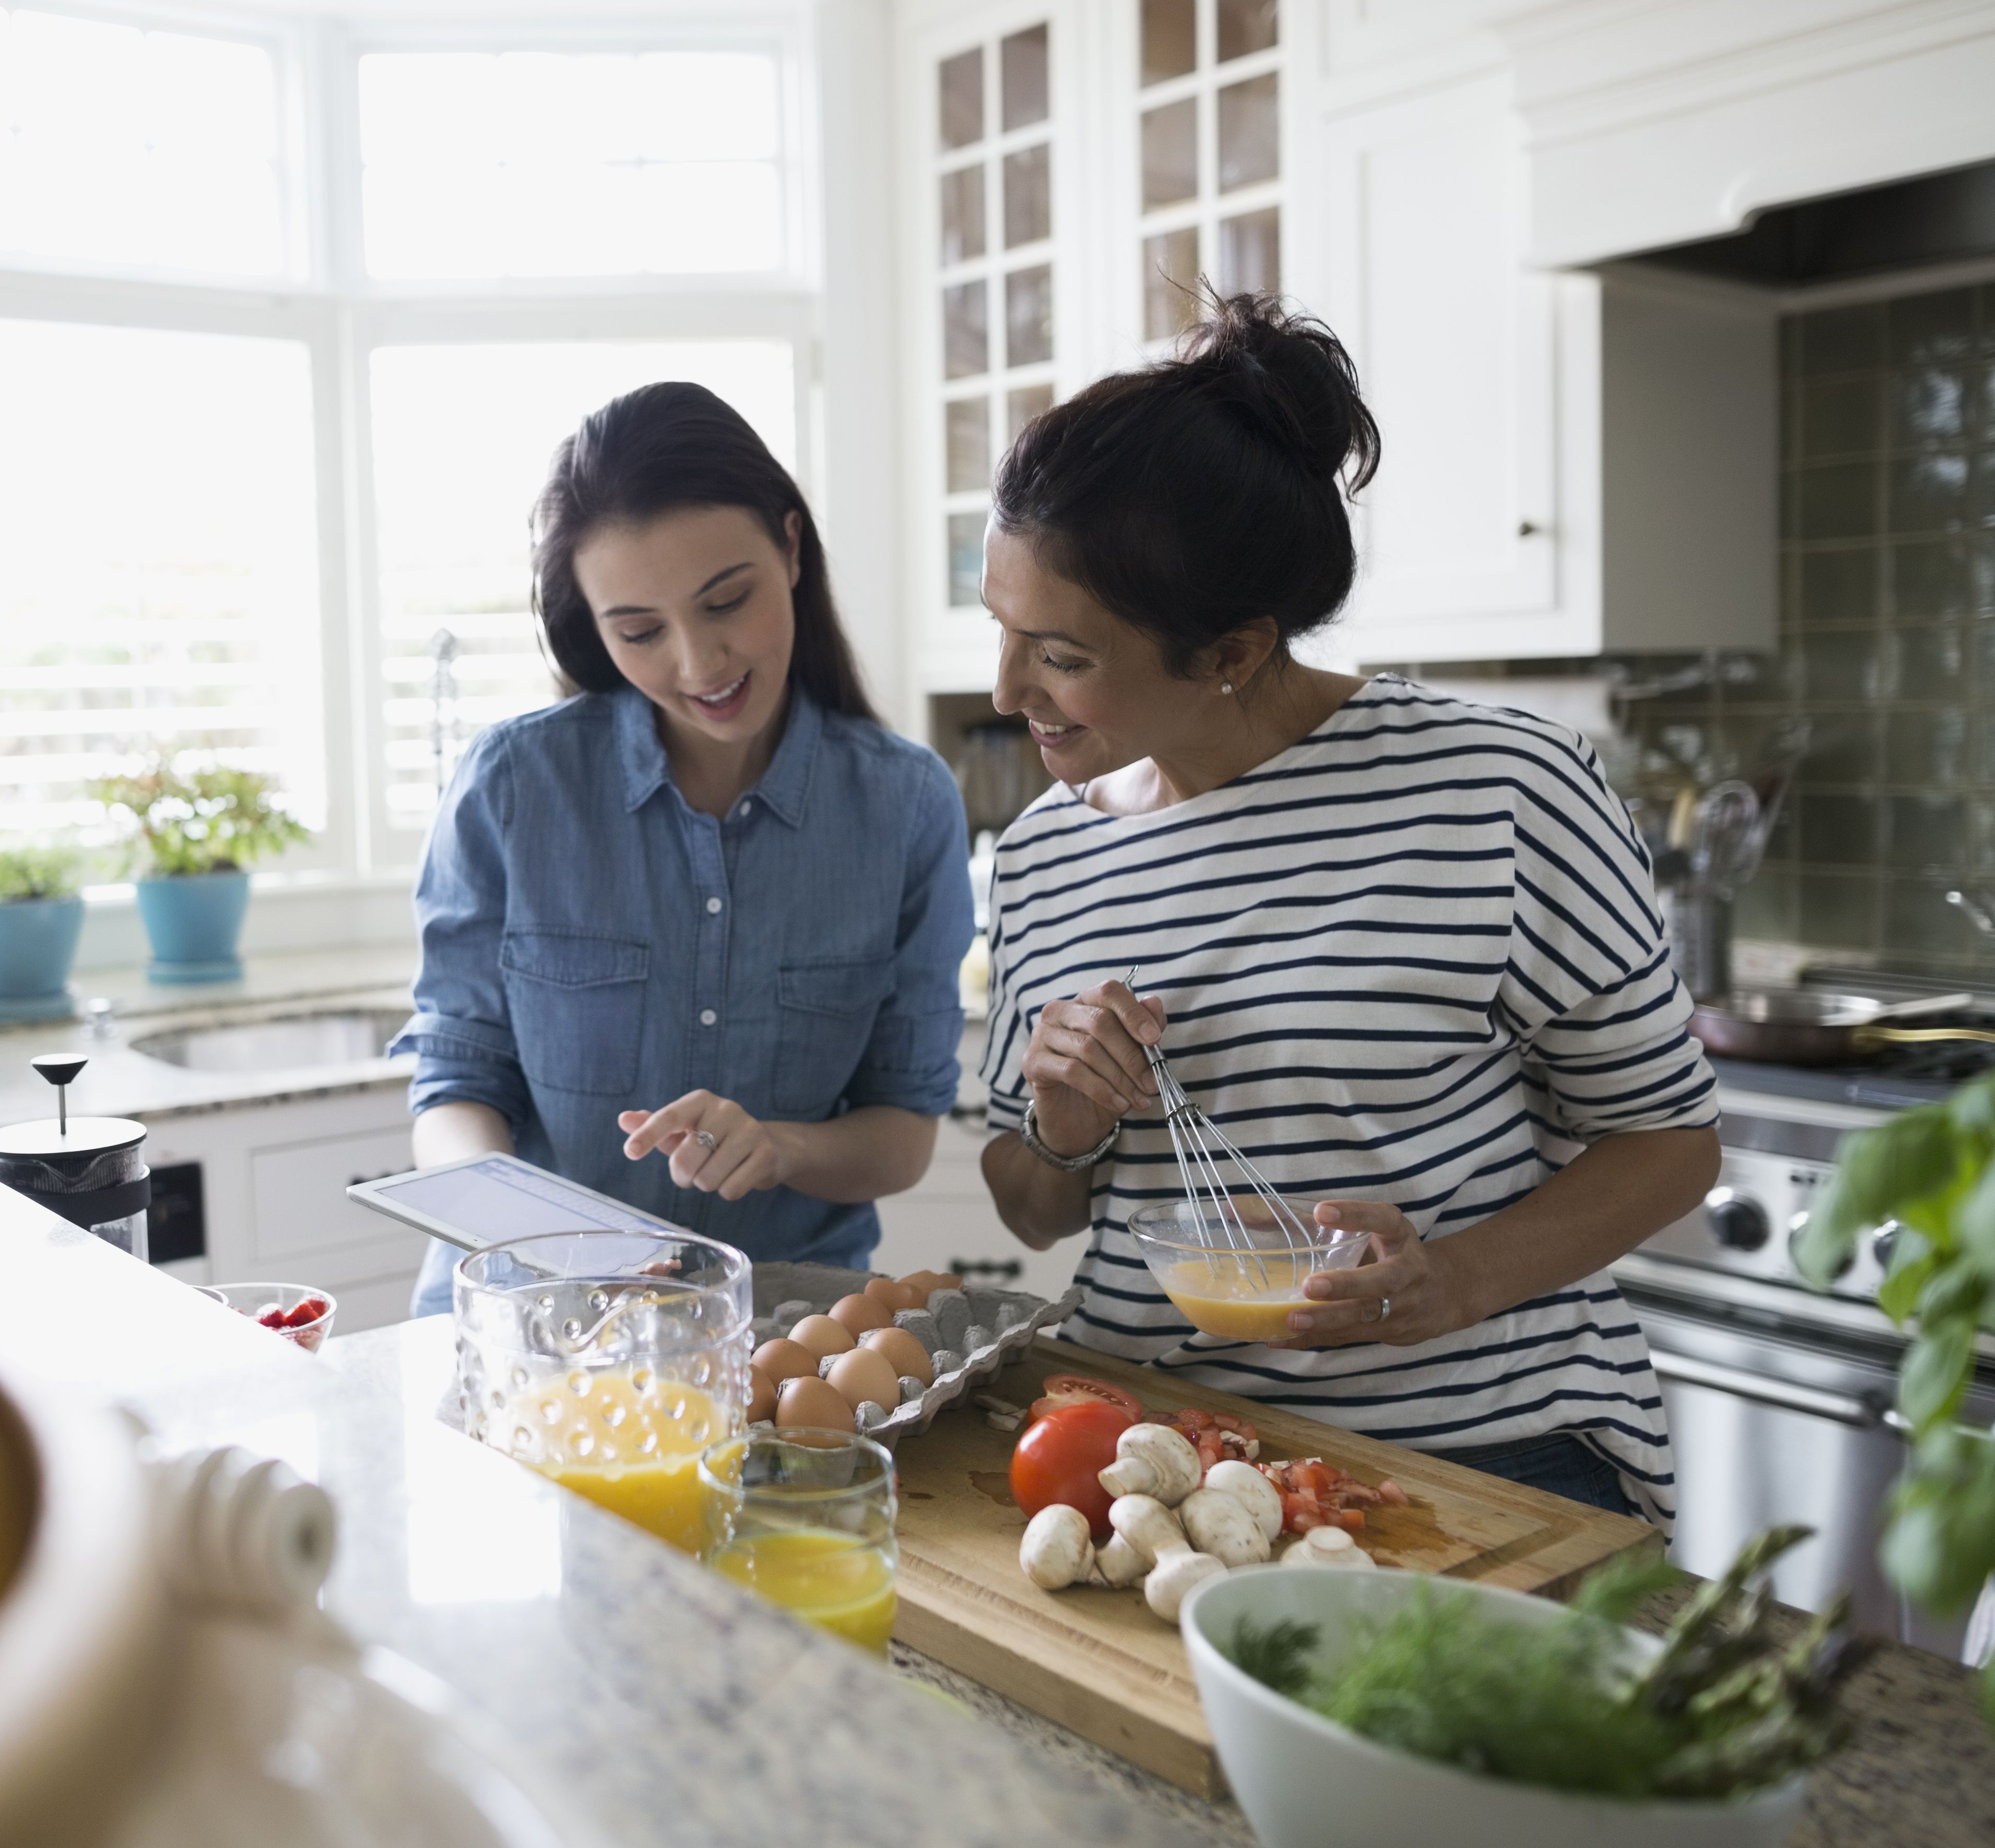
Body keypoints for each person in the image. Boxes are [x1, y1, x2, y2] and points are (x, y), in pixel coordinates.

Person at [973, 296, 1718, 1523]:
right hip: (1158, 1458)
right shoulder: (1050, 853)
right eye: (1005, 632)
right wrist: (1060, 1127)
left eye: (1060, 654)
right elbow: (1035, 1207)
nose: (1009, 690)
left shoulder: (1497, 788)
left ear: (1231, 651)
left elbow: (1673, 1142)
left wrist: (1454, 1280)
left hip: (1476, 1463)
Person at [394, 382, 972, 1317]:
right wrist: (531, 1231)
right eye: (640, 631)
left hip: (785, 1329)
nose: (700, 664)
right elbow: (455, 1082)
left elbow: (901, 1134)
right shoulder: (511, 786)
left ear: (789, 547)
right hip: (530, 1318)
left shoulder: (904, 807)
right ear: (593, 623)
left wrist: (783, 1148)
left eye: (726, 601)